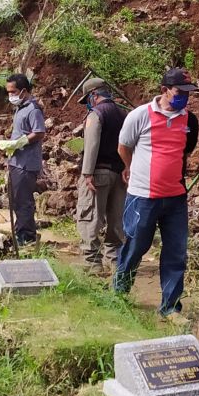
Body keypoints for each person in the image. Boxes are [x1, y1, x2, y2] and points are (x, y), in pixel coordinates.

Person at [113, 68, 199, 321]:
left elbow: (186, 152)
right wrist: (131, 169)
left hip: (175, 198)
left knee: (176, 251)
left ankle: (170, 306)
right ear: (164, 90)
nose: (185, 97)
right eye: (179, 92)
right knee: (135, 246)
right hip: (143, 196)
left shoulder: (190, 121)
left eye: (188, 93)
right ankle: (119, 294)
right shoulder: (140, 115)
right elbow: (123, 147)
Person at [76, 77, 126, 274]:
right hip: (120, 174)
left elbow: (92, 145)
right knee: (115, 219)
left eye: (88, 99)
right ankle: (115, 262)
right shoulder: (124, 114)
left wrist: (87, 172)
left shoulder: (96, 114)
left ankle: (93, 263)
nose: (87, 103)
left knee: (90, 217)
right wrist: (128, 168)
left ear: (94, 95)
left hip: (98, 173)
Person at [2, 73, 46, 245]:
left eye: (13, 92)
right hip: (16, 161)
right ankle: (21, 232)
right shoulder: (21, 108)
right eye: (8, 92)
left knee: (23, 201)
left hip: (26, 164)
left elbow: (40, 132)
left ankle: (27, 236)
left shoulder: (33, 109)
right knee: (16, 200)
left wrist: (21, 142)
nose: (10, 96)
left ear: (23, 91)